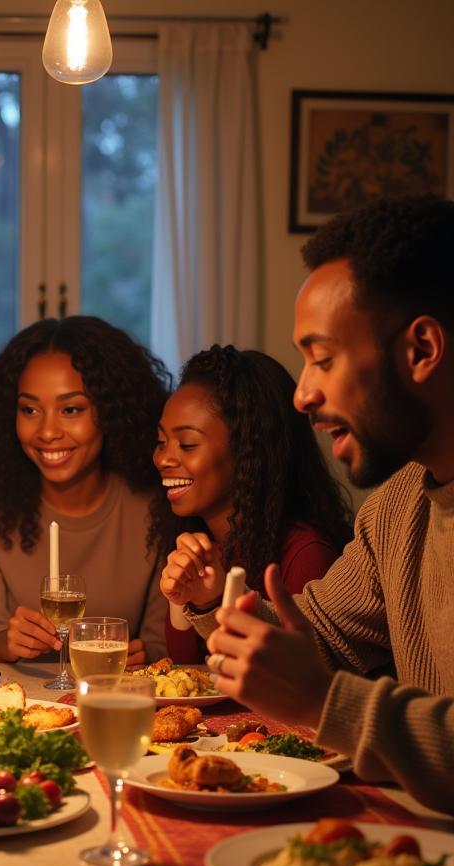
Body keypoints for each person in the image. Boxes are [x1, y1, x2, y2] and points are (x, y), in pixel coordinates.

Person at [180, 194, 454, 812]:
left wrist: (324, 702)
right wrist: (217, 609)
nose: (302, 394)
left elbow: (318, 683)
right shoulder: (397, 508)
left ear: (421, 350)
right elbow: (318, 637)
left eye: (322, 359)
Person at [0, 316, 170, 664]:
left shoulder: (156, 508)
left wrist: (147, 655)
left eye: (71, 409)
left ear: (110, 412)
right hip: (18, 710)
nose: (47, 431)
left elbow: (167, 645)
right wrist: (4, 643)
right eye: (30, 409)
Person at [152, 345, 351, 662]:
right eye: (161, 442)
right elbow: (187, 670)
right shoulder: (198, 543)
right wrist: (183, 600)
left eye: (187, 444)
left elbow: (298, 674)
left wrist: (213, 601)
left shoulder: (305, 554)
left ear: (248, 453)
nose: (163, 458)